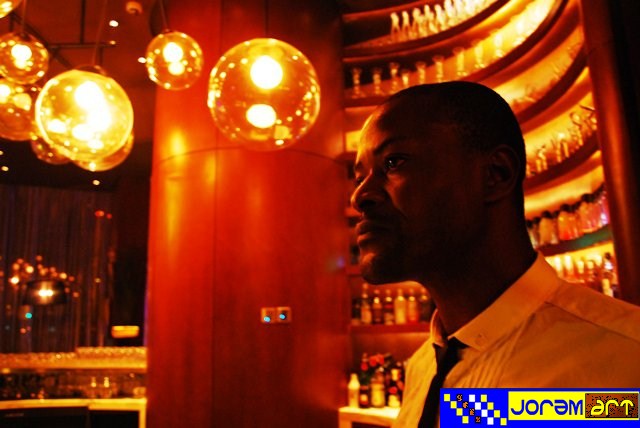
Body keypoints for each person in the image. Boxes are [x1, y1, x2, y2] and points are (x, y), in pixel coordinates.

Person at [350, 81, 640, 428]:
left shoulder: (624, 359)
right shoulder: (424, 367)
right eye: (358, 177)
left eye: (394, 162)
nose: (359, 196)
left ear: (495, 174)